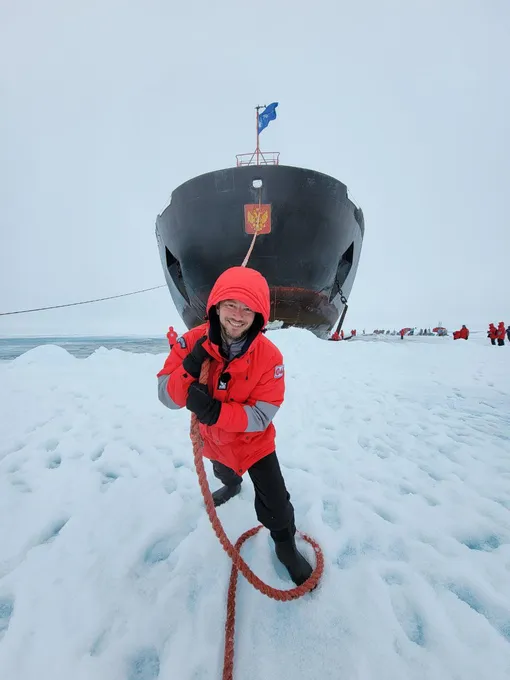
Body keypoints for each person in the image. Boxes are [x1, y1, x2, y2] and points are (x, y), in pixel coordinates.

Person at [156, 266, 313, 586]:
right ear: (215, 306)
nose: (238, 315)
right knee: (223, 472)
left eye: (248, 308)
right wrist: (189, 366)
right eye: (231, 304)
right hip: (212, 441)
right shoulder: (191, 342)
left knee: (277, 502)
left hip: (254, 444)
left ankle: (286, 547)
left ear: (260, 315)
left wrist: (215, 412)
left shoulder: (270, 358)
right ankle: (231, 483)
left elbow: (261, 416)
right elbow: (167, 397)